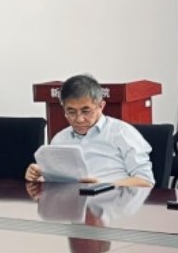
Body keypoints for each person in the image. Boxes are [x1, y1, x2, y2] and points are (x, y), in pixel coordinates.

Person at [25, 73, 154, 187]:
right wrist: (39, 176)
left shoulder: (122, 133)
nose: (79, 119)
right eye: (71, 112)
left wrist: (103, 186)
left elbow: (145, 181)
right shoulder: (60, 139)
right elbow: (56, 182)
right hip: (71, 203)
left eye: (86, 111)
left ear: (101, 106)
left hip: (112, 202)